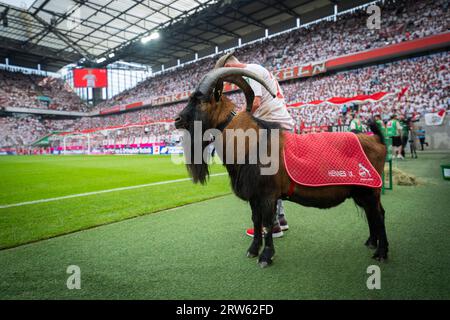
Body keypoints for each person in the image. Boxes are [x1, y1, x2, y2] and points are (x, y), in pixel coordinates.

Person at [217, 52, 295, 238]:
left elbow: (256, 103)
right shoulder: (256, 70)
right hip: (276, 124)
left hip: (272, 125)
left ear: (229, 67)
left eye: (225, 75)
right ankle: (280, 219)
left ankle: (272, 225)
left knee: (265, 177)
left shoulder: (251, 70)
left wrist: (236, 119)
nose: (228, 81)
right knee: (271, 174)